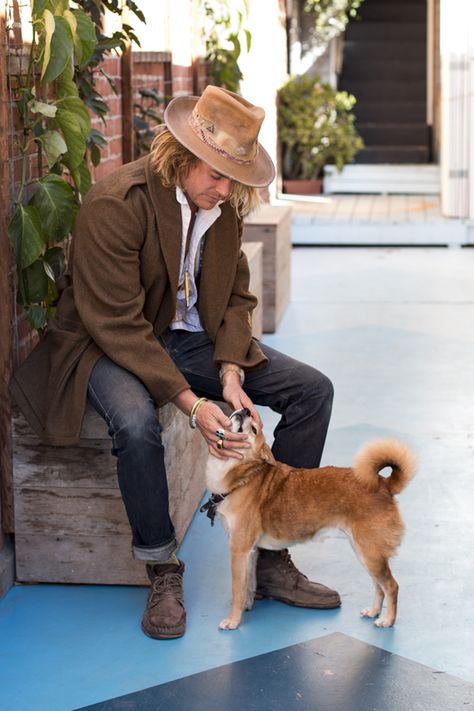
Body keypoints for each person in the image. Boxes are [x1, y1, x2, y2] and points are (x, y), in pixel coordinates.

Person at [11, 85, 340, 640]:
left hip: (187, 337)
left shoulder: (223, 203)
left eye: (234, 175)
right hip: (104, 340)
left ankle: (271, 556)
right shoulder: (115, 203)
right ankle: (163, 567)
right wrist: (193, 405)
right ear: (183, 156)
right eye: (215, 173)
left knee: (312, 390)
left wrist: (231, 369)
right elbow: (118, 326)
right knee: (137, 424)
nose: (225, 187)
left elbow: (236, 295)